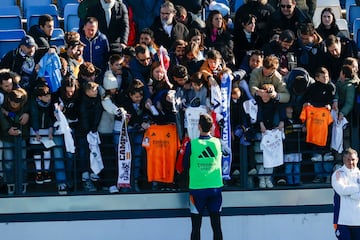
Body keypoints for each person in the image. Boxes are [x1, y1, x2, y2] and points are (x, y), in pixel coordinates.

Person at [182, 113, 223, 240]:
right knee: (216, 226)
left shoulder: (192, 144)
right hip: (215, 188)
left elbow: (185, 164)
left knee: (195, 227)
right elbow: (228, 153)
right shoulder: (218, 142)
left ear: (199, 127)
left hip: (197, 189)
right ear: (212, 127)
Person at [332, 147, 360, 240]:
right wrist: (358, 187)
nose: (351, 162)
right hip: (342, 221)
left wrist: (350, 193)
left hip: (358, 221)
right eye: (348, 159)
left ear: (357, 159)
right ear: (344, 159)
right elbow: (341, 190)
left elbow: (346, 191)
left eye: (353, 159)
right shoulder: (338, 173)